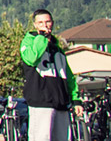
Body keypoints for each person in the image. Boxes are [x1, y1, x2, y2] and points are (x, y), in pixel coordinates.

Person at [21, 9, 80, 141]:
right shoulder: (29, 42)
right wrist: (41, 37)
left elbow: (69, 77)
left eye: (47, 22)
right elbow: (31, 58)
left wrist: (76, 99)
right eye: (41, 22)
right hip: (41, 101)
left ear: (52, 23)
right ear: (35, 25)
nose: (45, 25)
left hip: (61, 102)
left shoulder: (58, 50)